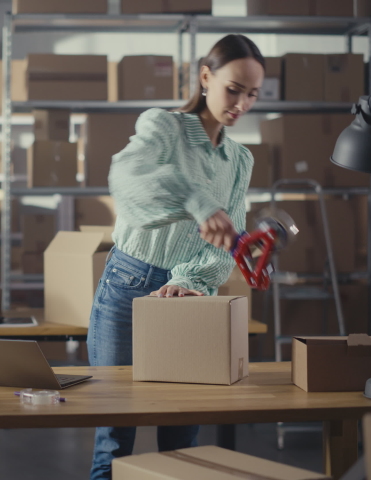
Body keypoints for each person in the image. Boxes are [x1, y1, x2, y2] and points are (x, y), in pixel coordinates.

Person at [88, 34, 265, 479]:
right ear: (205, 77)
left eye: (252, 95)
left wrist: (192, 278)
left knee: (182, 434)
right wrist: (199, 202)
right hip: (127, 286)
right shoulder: (162, 127)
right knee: (114, 433)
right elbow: (128, 178)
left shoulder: (240, 160)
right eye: (233, 89)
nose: (241, 103)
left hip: (190, 295)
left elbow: (225, 243)